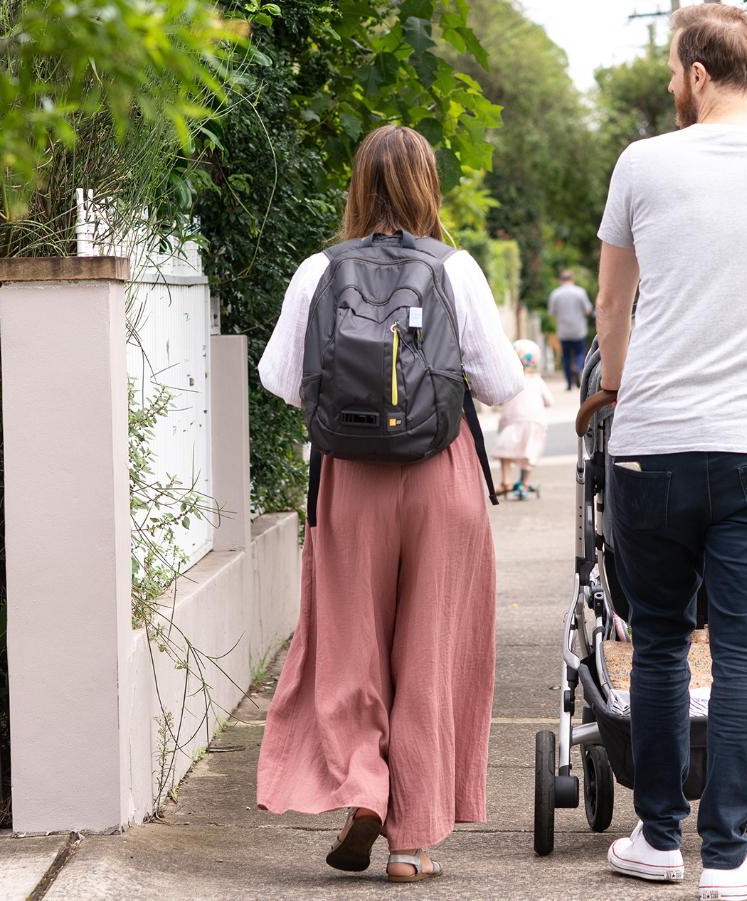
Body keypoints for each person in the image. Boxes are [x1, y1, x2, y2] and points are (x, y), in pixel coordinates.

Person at [582, 6, 747, 899]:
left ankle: (655, 839)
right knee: (740, 646)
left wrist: (618, 383)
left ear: (693, 73)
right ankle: (727, 858)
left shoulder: (642, 163)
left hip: (652, 446)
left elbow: (614, 306)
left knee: (654, 641)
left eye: (671, 74)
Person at [253, 124, 524, 884]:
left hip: (350, 480)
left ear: (358, 186)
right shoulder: (456, 268)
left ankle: (363, 787)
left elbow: (280, 378)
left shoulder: (318, 270)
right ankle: (411, 843)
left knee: (348, 647)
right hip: (443, 477)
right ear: (427, 186)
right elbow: (503, 386)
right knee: (432, 651)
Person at [493, 339, 555, 500]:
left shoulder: (511, 380)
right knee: (530, 454)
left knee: (505, 452)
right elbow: (550, 401)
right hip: (536, 423)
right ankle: (524, 483)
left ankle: (506, 481)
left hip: (513, 422)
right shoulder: (537, 381)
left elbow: (499, 399)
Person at [547, 271, 594, 390]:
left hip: (563, 331)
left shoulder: (555, 294)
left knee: (566, 357)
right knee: (579, 354)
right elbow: (588, 310)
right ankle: (578, 370)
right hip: (579, 330)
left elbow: (552, 312)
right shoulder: (580, 292)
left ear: (560, 280)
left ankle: (568, 384)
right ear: (572, 279)